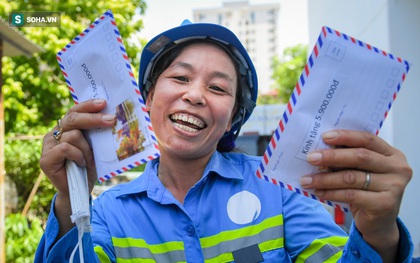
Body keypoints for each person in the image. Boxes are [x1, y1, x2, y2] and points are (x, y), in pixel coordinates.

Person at [35, 19, 414, 262]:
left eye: (218, 87)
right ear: (146, 99)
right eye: (180, 78)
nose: (196, 95)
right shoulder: (108, 213)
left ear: (233, 116)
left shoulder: (279, 191)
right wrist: (72, 198)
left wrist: (379, 233)